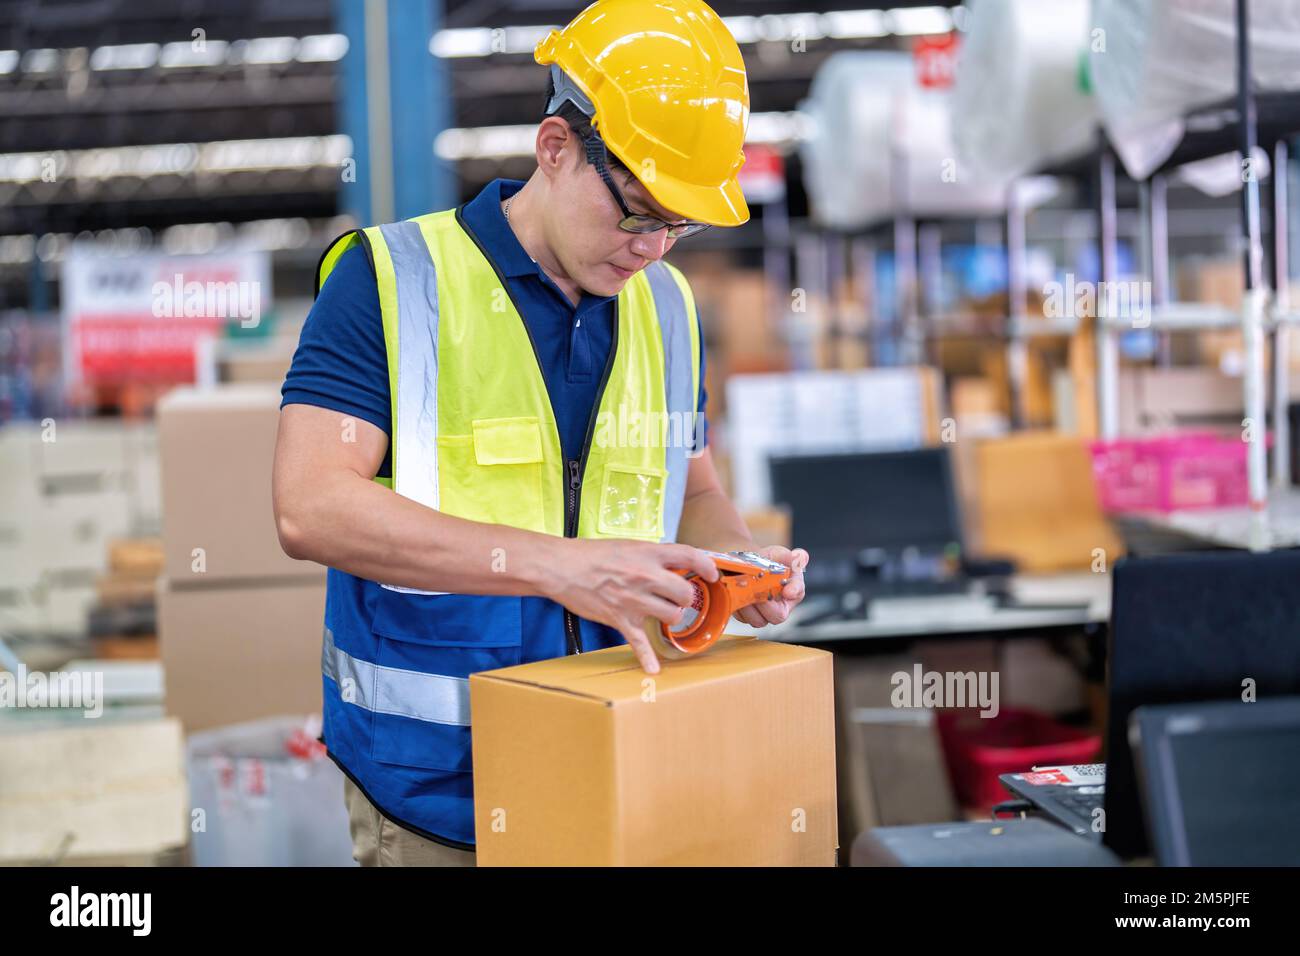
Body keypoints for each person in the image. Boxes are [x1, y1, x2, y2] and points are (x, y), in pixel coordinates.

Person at [272, 0, 809, 867]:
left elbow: (695, 488)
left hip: (621, 761)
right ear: (556, 148)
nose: (655, 248)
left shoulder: (667, 310)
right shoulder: (392, 280)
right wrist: (565, 567)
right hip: (440, 796)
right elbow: (310, 507)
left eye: (682, 223)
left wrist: (738, 569)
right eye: (639, 211)